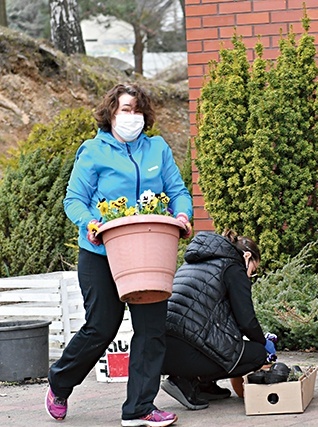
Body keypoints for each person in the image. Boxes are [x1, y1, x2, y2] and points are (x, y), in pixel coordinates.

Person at [46, 83, 193, 427]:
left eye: (138, 110)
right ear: (111, 113)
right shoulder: (94, 151)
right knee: (101, 327)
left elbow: (178, 192)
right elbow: (74, 201)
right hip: (100, 252)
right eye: (125, 109)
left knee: (151, 329)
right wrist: (90, 223)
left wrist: (183, 216)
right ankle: (60, 382)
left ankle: (139, 408)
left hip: (148, 250)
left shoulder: (157, 149)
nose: (132, 117)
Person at [161, 229, 275, 410]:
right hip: (185, 352)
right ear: (247, 256)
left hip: (160, 349)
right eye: (253, 270)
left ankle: (204, 385)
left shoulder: (195, 262)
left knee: (222, 343)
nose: (250, 276)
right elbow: (246, 321)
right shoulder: (234, 267)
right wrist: (262, 343)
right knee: (256, 354)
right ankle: (185, 381)